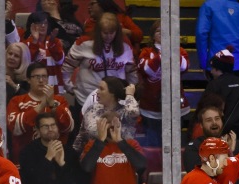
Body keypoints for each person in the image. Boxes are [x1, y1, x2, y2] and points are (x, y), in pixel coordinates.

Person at [62, 12, 138, 112]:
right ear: (98, 31)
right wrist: (68, 86)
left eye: (112, 33)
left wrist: (132, 91)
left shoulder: (125, 46)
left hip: (115, 99)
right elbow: (67, 66)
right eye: (105, 33)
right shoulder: (84, 43)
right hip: (86, 98)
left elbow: (131, 72)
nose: (108, 36)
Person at [6, 63, 74, 163]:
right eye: (37, 77)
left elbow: (69, 126)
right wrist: (42, 105)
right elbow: (15, 128)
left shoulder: (60, 100)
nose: (41, 80)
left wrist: (52, 105)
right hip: (26, 162)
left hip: (57, 160)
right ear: (28, 80)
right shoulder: (17, 101)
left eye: (44, 76)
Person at [137, 20, 190, 148]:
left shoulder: (179, 50)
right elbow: (146, 70)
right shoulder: (146, 51)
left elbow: (184, 67)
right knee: (154, 145)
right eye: (158, 30)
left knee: (174, 145)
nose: (162, 33)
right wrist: (161, 56)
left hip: (176, 107)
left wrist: (170, 49)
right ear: (153, 35)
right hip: (151, 108)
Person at [74, 76, 139, 153]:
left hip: (121, 157)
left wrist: (129, 95)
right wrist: (75, 155)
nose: (97, 92)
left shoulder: (125, 112)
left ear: (113, 93)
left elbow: (134, 112)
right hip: (94, 155)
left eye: (101, 89)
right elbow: (83, 135)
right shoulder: (92, 109)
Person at [196, 0, 239, 77]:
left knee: (217, 88)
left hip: (218, 63)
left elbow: (201, 33)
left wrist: (204, 63)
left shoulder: (208, 6)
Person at [24, 11, 66, 94]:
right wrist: (35, 42)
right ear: (32, 25)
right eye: (39, 23)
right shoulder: (27, 43)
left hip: (54, 87)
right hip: (34, 88)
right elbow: (27, 64)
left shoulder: (55, 41)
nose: (43, 26)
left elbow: (60, 61)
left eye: (45, 23)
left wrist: (52, 44)